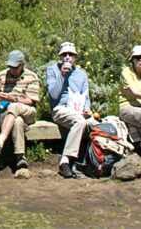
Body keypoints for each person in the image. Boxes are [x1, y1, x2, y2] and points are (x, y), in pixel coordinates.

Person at [0, 49, 41, 176]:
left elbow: (31, 100)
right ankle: (20, 159)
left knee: (15, 107)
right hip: (8, 114)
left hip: (27, 111)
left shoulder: (31, 77)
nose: (12, 70)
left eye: (15, 67)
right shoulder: (2, 76)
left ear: (22, 65)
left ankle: (0, 142)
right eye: (10, 66)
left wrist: (13, 98)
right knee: (17, 121)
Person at [46, 41, 92, 179]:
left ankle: (93, 162)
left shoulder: (81, 74)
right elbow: (53, 95)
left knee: (95, 124)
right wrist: (62, 75)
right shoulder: (52, 70)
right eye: (64, 54)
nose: (67, 57)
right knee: (80, 122)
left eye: (70, 54)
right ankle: (65, 161)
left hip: (78, 110)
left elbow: (86, 95)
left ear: (75, 57)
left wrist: (87, 109)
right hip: (61, 109)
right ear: (60, 57)